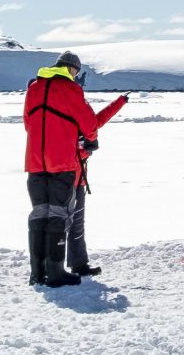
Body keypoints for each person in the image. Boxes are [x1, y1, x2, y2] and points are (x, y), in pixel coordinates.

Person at [21, 52, 124, 287]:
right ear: (71, 70)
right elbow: (89, 123)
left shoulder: (34, 88)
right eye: (76, 73)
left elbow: (28, 124)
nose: (76, 77)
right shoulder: (70, 89)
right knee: (58, 215)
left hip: (35, 162)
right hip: (61, 163)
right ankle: (56, 273)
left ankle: (38, 273)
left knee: (39, 215)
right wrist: (90, 140)